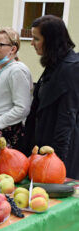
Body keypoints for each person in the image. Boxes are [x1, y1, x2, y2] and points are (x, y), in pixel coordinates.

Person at [25, 15, 79, 179]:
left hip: (58, 155)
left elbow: (67, 118)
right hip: (45, 149)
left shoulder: (70, 68)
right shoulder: (55, 64)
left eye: (36, 38)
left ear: (51, 41)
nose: (32, 43)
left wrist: (57, 164)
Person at [0, 28, 33, 153]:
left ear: (13, 49)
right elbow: (1, 97)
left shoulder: (17, 71)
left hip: (4, 141)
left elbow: (22, 108)